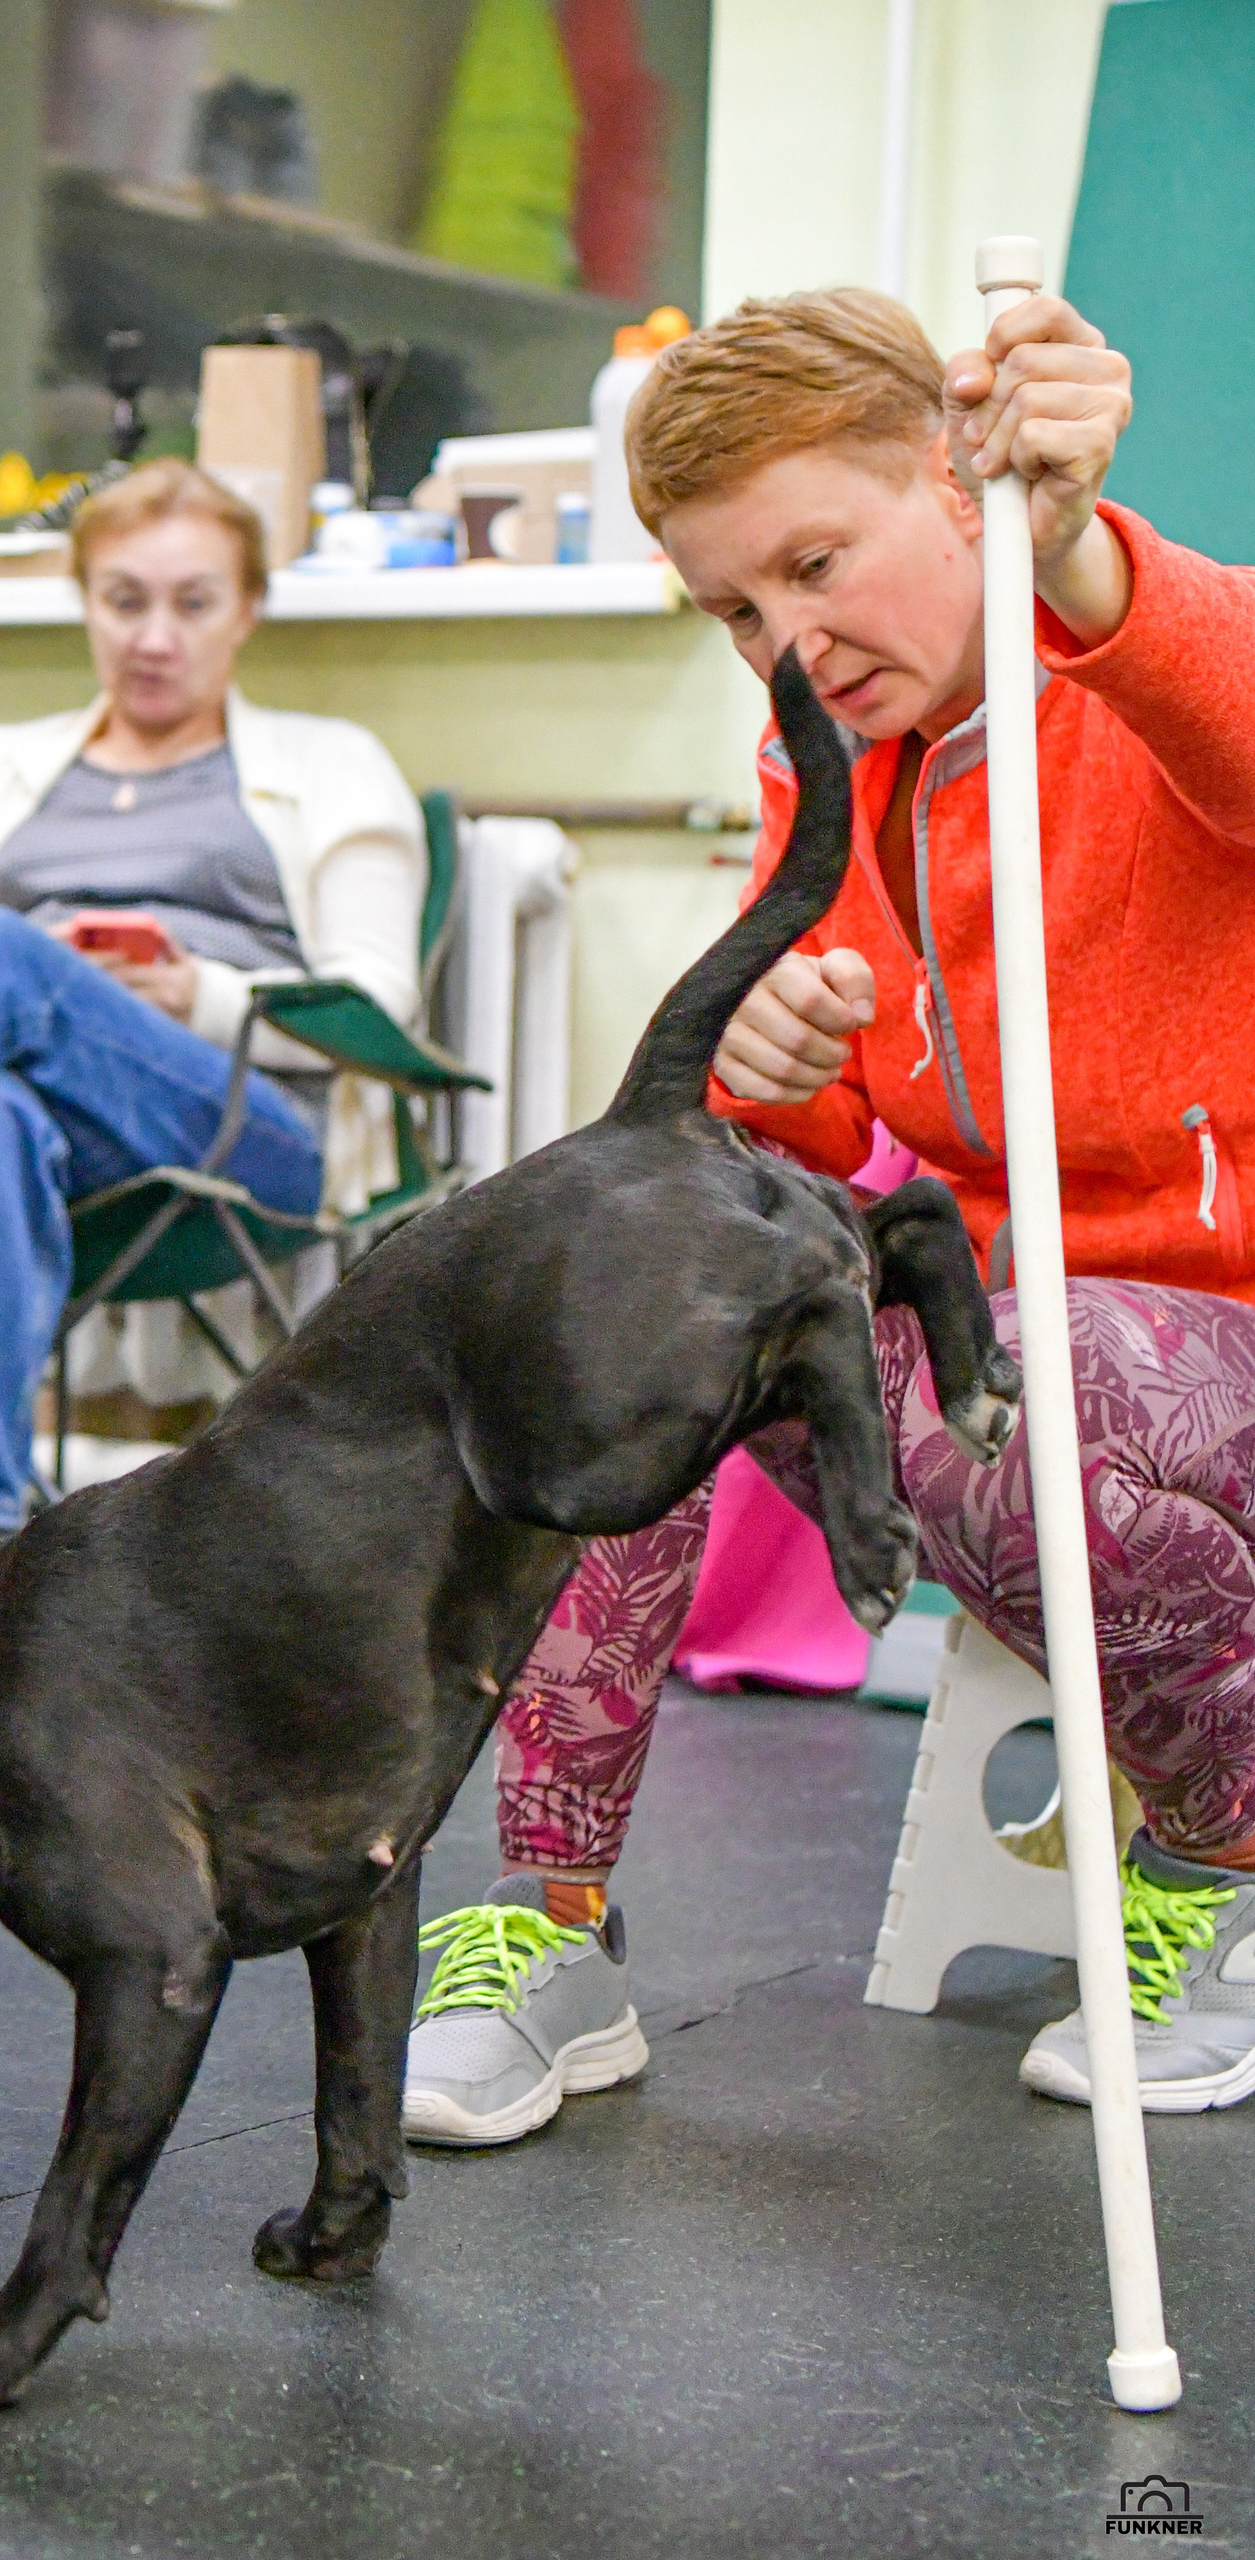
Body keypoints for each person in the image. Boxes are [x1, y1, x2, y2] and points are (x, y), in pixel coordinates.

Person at [404, 283, 1255, 2144]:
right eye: (735, 609)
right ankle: (546, 1924)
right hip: (1028, 1363)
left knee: (997, 1382)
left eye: (813, 562)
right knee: (633, 1318)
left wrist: (1082, 562)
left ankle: (1234, 1853)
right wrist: (777, 1050)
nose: (786, 637)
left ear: (959, 483)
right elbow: (812, 1138)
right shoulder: (827, 771)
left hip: (1210, 1353)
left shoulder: (1153, 659)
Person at [0, 458, 427, 1544]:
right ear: (84, 600)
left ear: (248, 611)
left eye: (192, 603)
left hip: (248, 1126)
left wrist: (196, 992)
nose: (154, 636)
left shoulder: (334, 765)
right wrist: (43, 981)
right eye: (124, 600)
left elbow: (375, 1007)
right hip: (41, 1111)